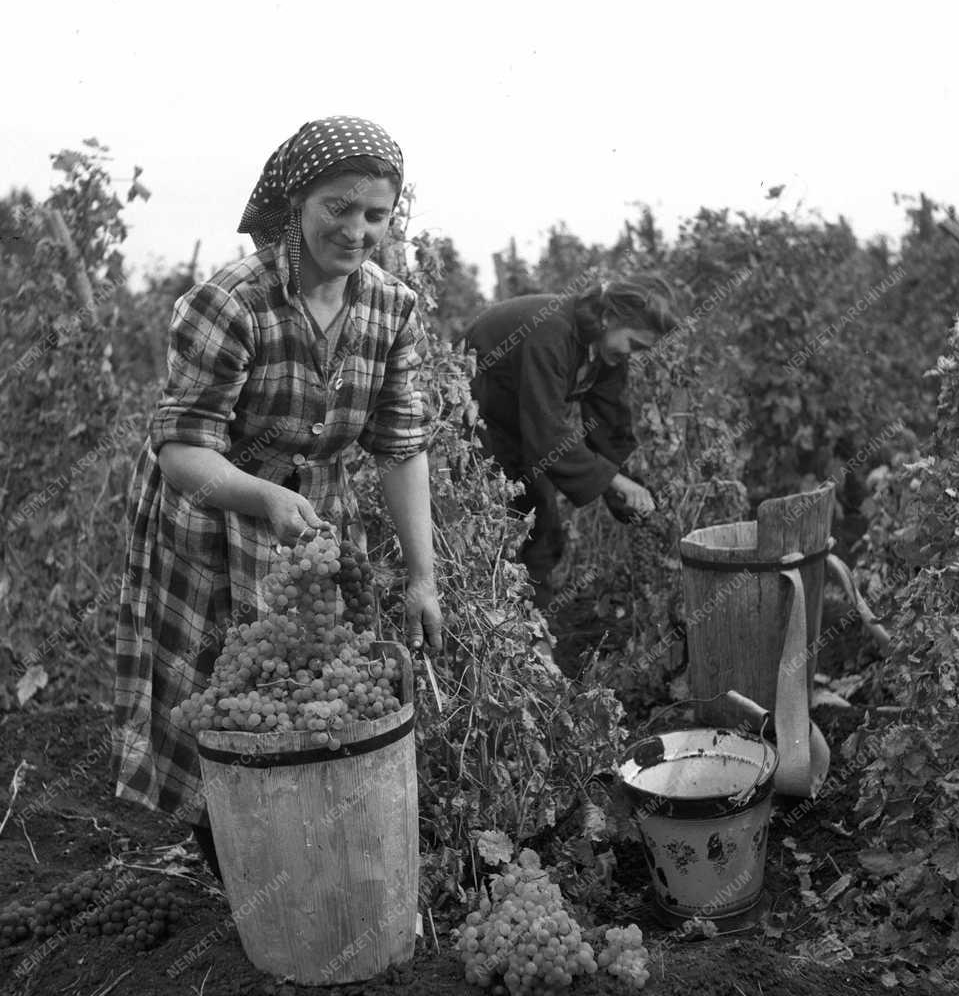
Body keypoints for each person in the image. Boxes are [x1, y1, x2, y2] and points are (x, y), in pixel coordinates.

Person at [111, 116, 442, 881]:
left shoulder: (392, 308)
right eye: (338, 207)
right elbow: (182, 446)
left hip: (312, 519)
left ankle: (305, 865)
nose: (356, 230)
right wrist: (259, 494)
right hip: (213, 509)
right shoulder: (231, 301)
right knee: (223, 696)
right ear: (295, 203)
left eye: (376, 215)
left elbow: (400, 445)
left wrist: (423, 577)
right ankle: (243, 874)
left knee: (314, 685)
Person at [463, 276, 676, 608]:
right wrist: (614, 481)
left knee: (542, 528)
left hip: (519, 416)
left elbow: (611, 427)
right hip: (479, 407)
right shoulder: (552, 332)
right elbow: (546, 434)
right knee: (504, 520)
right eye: (633, 344)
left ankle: (531, 627)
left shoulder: (606, 352)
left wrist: (636, 496)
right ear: (608, 319)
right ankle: (498, 622)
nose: (632, 355)